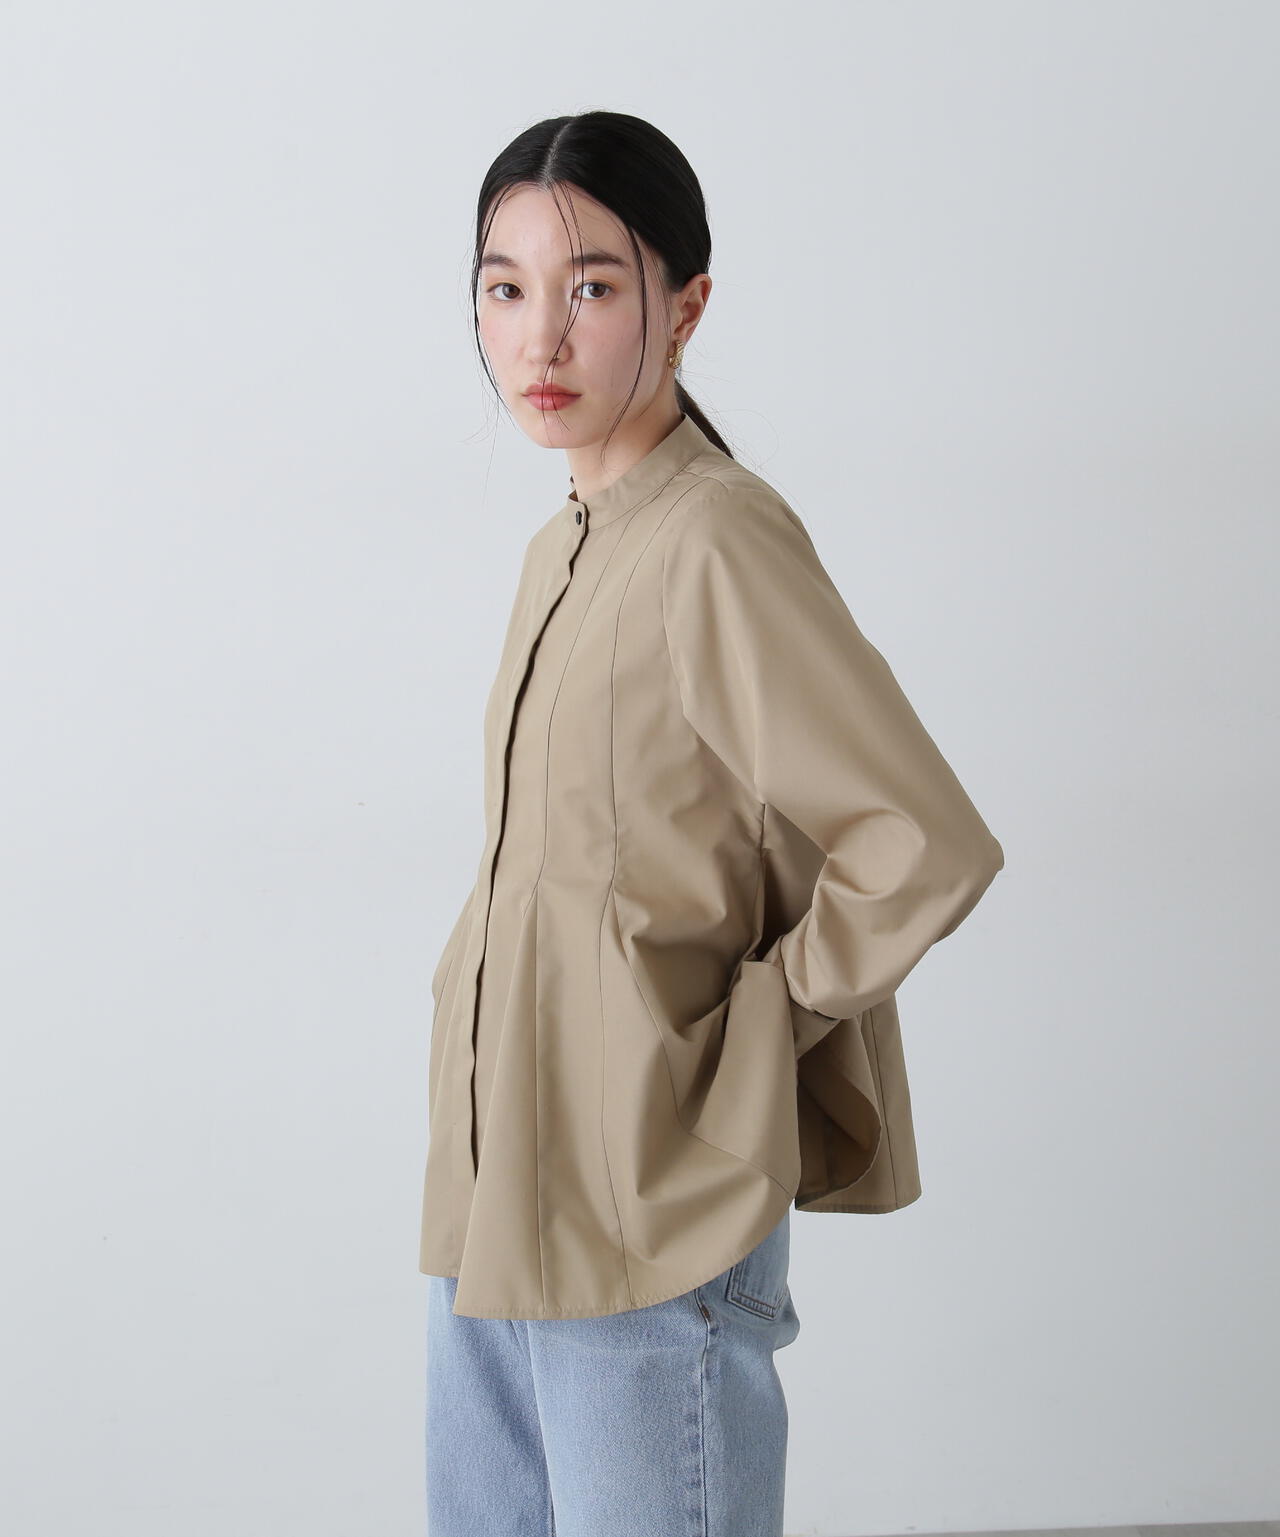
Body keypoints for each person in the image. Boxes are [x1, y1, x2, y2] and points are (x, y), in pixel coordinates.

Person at [419, 110, 1005, 1537]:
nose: (541, 337)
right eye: (506, 288)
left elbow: (920, 840)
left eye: (592, 287)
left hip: (650, 1204)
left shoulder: (715, 537)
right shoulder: (562, 547)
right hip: (495, 1197)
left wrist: (744, 1036)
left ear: (685, 307)